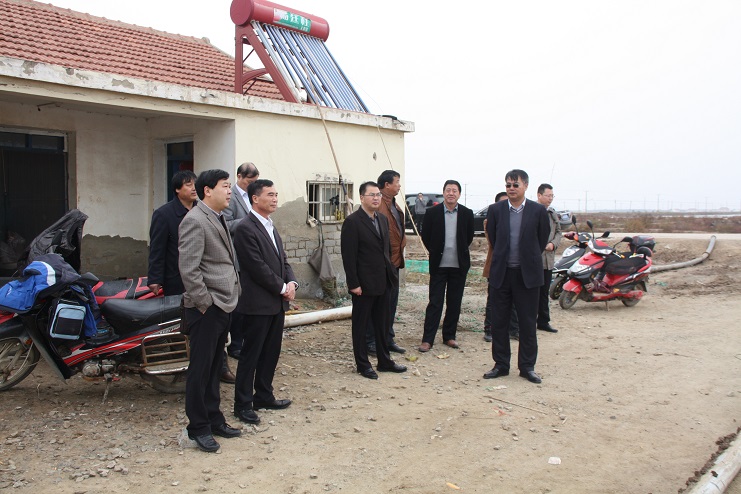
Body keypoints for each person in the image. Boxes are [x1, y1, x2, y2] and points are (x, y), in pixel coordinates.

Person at [148, 170, 236, 384]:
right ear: (177, 189)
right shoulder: (167, 215)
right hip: (179, 280)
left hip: (208, 288)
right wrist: (155, 278)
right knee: (184, 329)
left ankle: (220, 367)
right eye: (188, 185)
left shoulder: (209, 213)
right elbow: (158, 249)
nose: (192, 188)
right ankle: (181, 368)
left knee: (214, 340)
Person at [179, 168, 242, 453]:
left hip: (223, 303)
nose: (230, 191)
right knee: (201, 370)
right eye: (225, 186)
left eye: (230, 186)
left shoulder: (217, 217)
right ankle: (198, 427)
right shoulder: (195, 220)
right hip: (207, 308)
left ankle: (214, 418)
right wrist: (205, 303)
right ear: (207, 190)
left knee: (215, 367)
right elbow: (189, 269)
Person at [232, 179, 297, 425]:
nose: (275, 199)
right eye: (270, 194)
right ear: (255, 198)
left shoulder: (270, 225)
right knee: (251, 354)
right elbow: (256, 266)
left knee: (271, 352)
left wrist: (292, 283)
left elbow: (283, 260)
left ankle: (263, 395)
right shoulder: (245, 228)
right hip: (257, 303)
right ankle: (242, 404)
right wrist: (282, 288)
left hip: (276, 303)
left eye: (276, 194)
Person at [483, 169, 549, 384]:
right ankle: (501, 365)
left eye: (515, 185)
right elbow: (494, 238)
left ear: (526, 186)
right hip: (502, 275)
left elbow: (541, 240)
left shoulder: (538, 211)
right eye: (508, 185)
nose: (511, 189)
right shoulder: (496, 210)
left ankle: (527, 367)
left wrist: (526, 258)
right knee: (499, 323)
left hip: (527, 276)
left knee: (527, 323)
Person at [341, 181, 407, 379]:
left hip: (383, 281)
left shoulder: (382, 219)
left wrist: (391, 274)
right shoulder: (353, 222)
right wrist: (354, 284)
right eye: (372, 195)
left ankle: (385, 361)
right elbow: (349, 256)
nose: (376, 198)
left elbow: (386, 250)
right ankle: (363, 364)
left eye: (378, 194)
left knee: (382, 324)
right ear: (362, 198)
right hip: (363, 284)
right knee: (361, 327)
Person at [418, 180, 474, 352]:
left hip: (459, 266)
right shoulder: (432, 212)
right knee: (435, 303)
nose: (451, 193)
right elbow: (426, 236)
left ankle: (449, 336)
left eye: (454, 190)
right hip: (439, 266)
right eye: (448, 190)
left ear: (459, 194)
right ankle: (427, 339)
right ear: (443, 193)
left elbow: (469, 237)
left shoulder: (466, 213)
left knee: (454, 303)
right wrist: (436, 251)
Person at [366, 170, 406, 355]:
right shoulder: (378, 205)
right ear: (387, 185)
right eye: (397, 182)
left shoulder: (394, 205)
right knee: (377, 306)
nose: (399, 185)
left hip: (394, 263)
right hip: (381, 265)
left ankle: (388, 339)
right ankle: (371, 341)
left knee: (391, 304)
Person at [224, 162, 260, 358]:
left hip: (253, 256)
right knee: (238, 304)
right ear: (239, 177)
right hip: (237, 257)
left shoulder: (255, 196)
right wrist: (249, 220)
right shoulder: (230, 197)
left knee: (250, 301)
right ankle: (235, 344)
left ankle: (248, 341)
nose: (252, 185)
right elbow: (226, 224)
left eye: (255, 181)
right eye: (249, 181)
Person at [483, 192, 520, 342]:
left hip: (515, 266)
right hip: (496, 265)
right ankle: (489, 329)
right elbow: (493, 241)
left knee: (515, 299)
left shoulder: (518, 219)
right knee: (493, 299)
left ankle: (514, 329)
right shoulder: (491, 220)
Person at [536, 183, 561, 333]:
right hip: (535, 259)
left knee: (544, 292)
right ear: (539, 195)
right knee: (532, 292)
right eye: (548, 195)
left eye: (552, 196)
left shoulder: (552, 213)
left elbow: (558, 232)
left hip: (548, 259)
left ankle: (543, 321)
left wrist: (553, 244)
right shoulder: (532, 211)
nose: (550, 198)